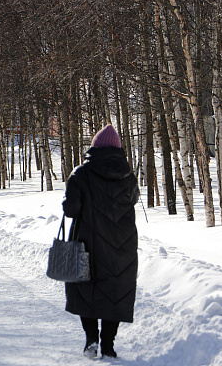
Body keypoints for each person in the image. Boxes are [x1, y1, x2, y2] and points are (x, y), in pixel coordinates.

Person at [62, 124, 139, 359]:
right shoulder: (128, 175)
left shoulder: (81, 174)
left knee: (86, 290)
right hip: (122, 245)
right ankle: (108, 345)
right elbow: (133, 201)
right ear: (118, 150)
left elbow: (71, 210)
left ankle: (91, 340)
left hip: (88, 243)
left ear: (94, 148)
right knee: (115, 292)